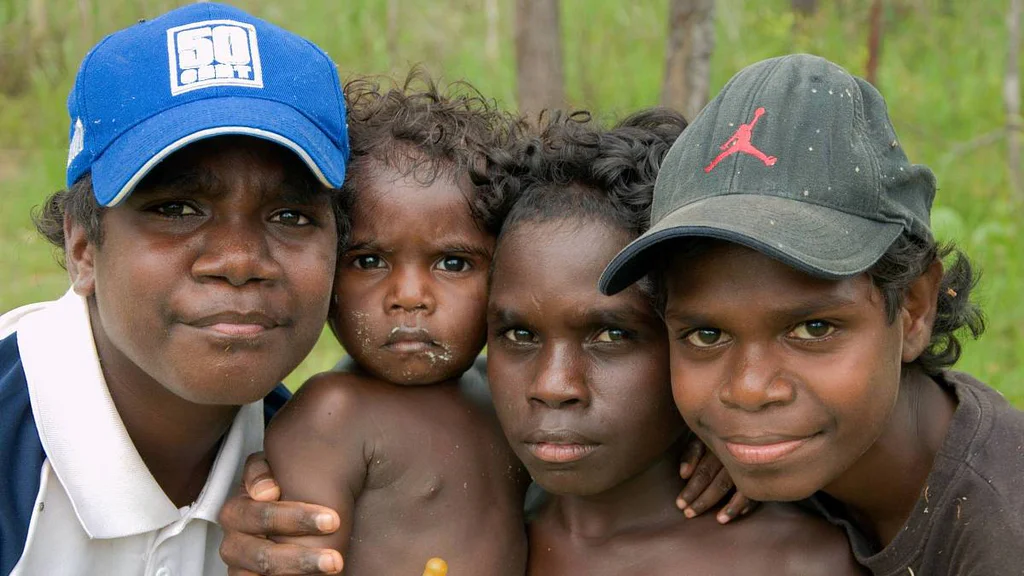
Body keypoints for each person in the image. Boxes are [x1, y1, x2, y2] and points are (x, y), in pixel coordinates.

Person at [599, 53, 1024, 575]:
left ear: (914, 309)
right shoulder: (791, 453)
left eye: (813, 328)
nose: (750, 390)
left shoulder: (1002, 531)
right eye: (707, 335)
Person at [0, 4, 349, 575]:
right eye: (177, 209)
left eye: (290, 216)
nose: (239, 262)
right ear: (83, 245)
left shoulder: (318, 477)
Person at [484, 108, 863, 575]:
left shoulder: (796, 563)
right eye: (519, 335)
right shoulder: (463, 507)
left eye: (611, 335)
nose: (553, 385)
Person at [257, 73, 530, 576]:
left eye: (452, 263)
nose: (408, 297)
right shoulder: (332, 417)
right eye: (368, 261)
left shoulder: (506, 392)